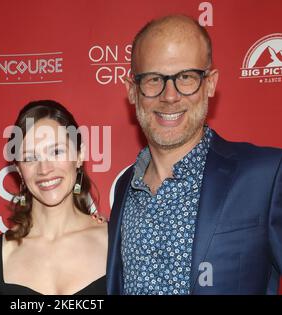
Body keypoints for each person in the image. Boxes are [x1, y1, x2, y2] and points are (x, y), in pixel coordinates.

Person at [107, 15, 282, 294]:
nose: (170, 95)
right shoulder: (125, 188)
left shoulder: (266, 176)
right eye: (154, 79)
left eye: (186, 77)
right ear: (132, 90)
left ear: (210, 83)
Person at [0, 100, 107, 295]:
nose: (45, 169)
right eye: (30, 158)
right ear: (19, 169)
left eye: (56, 152)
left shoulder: (117, 242)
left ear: (80, 155)